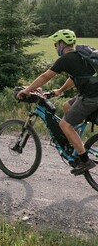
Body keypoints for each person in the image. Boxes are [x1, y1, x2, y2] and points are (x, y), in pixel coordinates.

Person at [18, 29, 98, 175]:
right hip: (92, 93)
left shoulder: (65, 59)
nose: (55, 47)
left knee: (64, 124)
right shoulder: (79, 56)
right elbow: (76, 77)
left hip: (91, 97)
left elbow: (45, 76)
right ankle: (74, 142)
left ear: (62, 44)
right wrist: (60, 90)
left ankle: (84, 160)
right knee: (66, 106)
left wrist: (28, 90)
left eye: (56, 44)